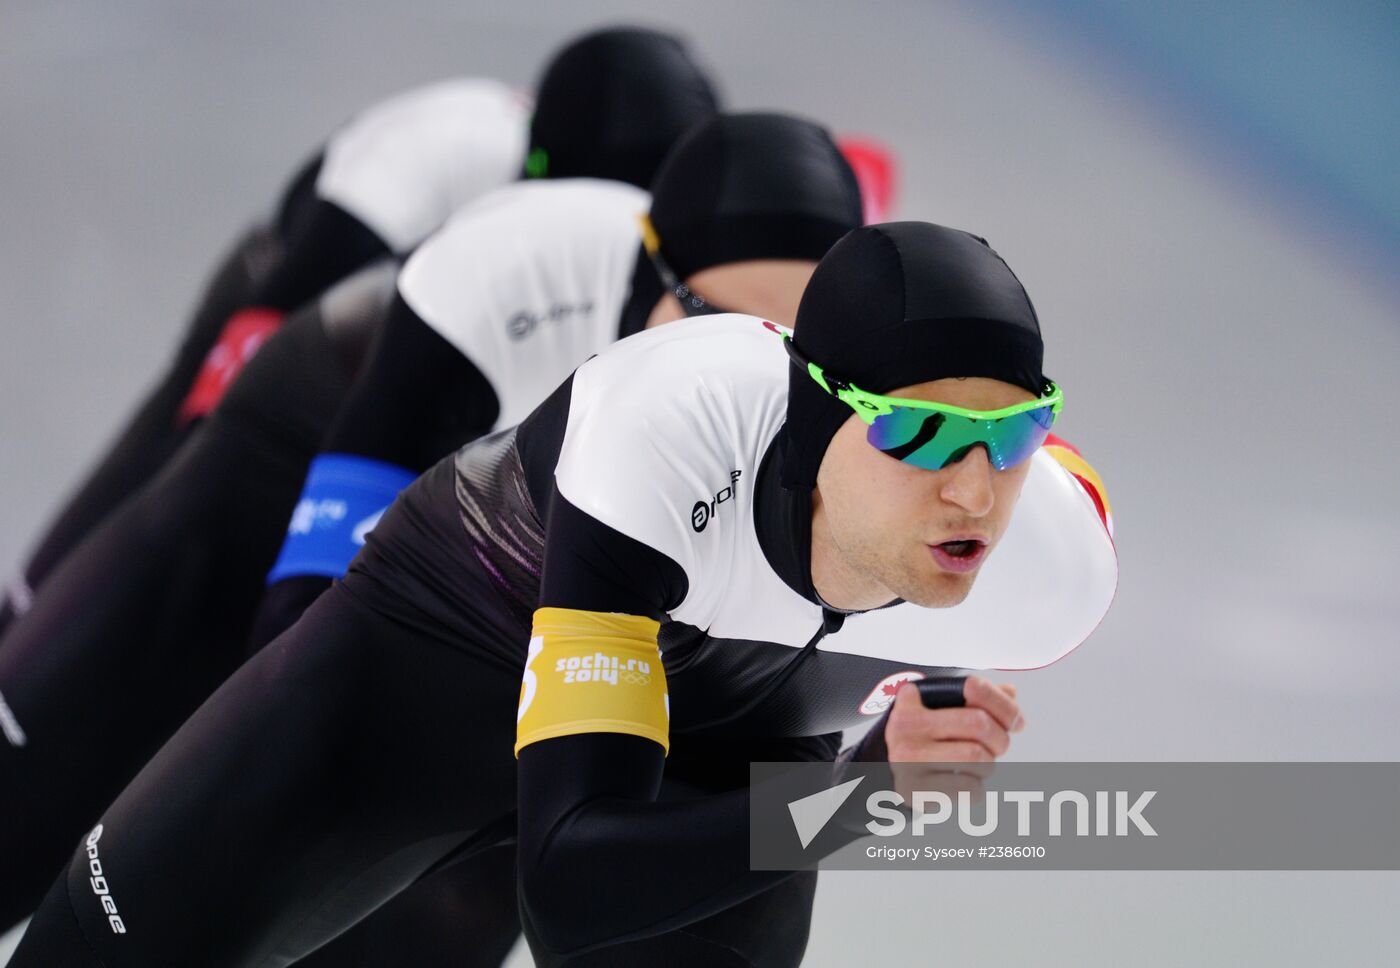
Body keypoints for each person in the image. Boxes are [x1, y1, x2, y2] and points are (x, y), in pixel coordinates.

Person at [9, 221, 1117, 967]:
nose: (973, 488)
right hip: (435, 663)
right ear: (816, 417)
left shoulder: (1048, 567)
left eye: (1012, 434)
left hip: (729, 730)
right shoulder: (664, 427)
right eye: (918, 430)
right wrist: (856, 797)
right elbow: (572, 883)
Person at [0, 112, 864, 960]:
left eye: (795, 353)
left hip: (535, 627)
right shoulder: (520, 268)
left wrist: (877, 791)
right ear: (650, 260)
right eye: (714, 314)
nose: (749, 364)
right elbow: (310, 632)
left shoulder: (877, 479)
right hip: (286, 499)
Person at [0, 26, 718, 638]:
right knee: (159, 501)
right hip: (294, 289)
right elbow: (256, 329)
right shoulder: (439, 155)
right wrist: (192, 475)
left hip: (429, 329)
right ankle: (33, 607)